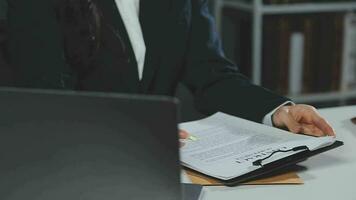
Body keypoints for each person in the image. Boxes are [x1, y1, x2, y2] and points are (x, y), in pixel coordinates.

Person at [5, 0, 335, 140]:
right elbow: (46, 97)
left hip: (159, 172)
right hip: (74, 167)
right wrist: (136, 130)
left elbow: (211, 74)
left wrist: (277, 111)